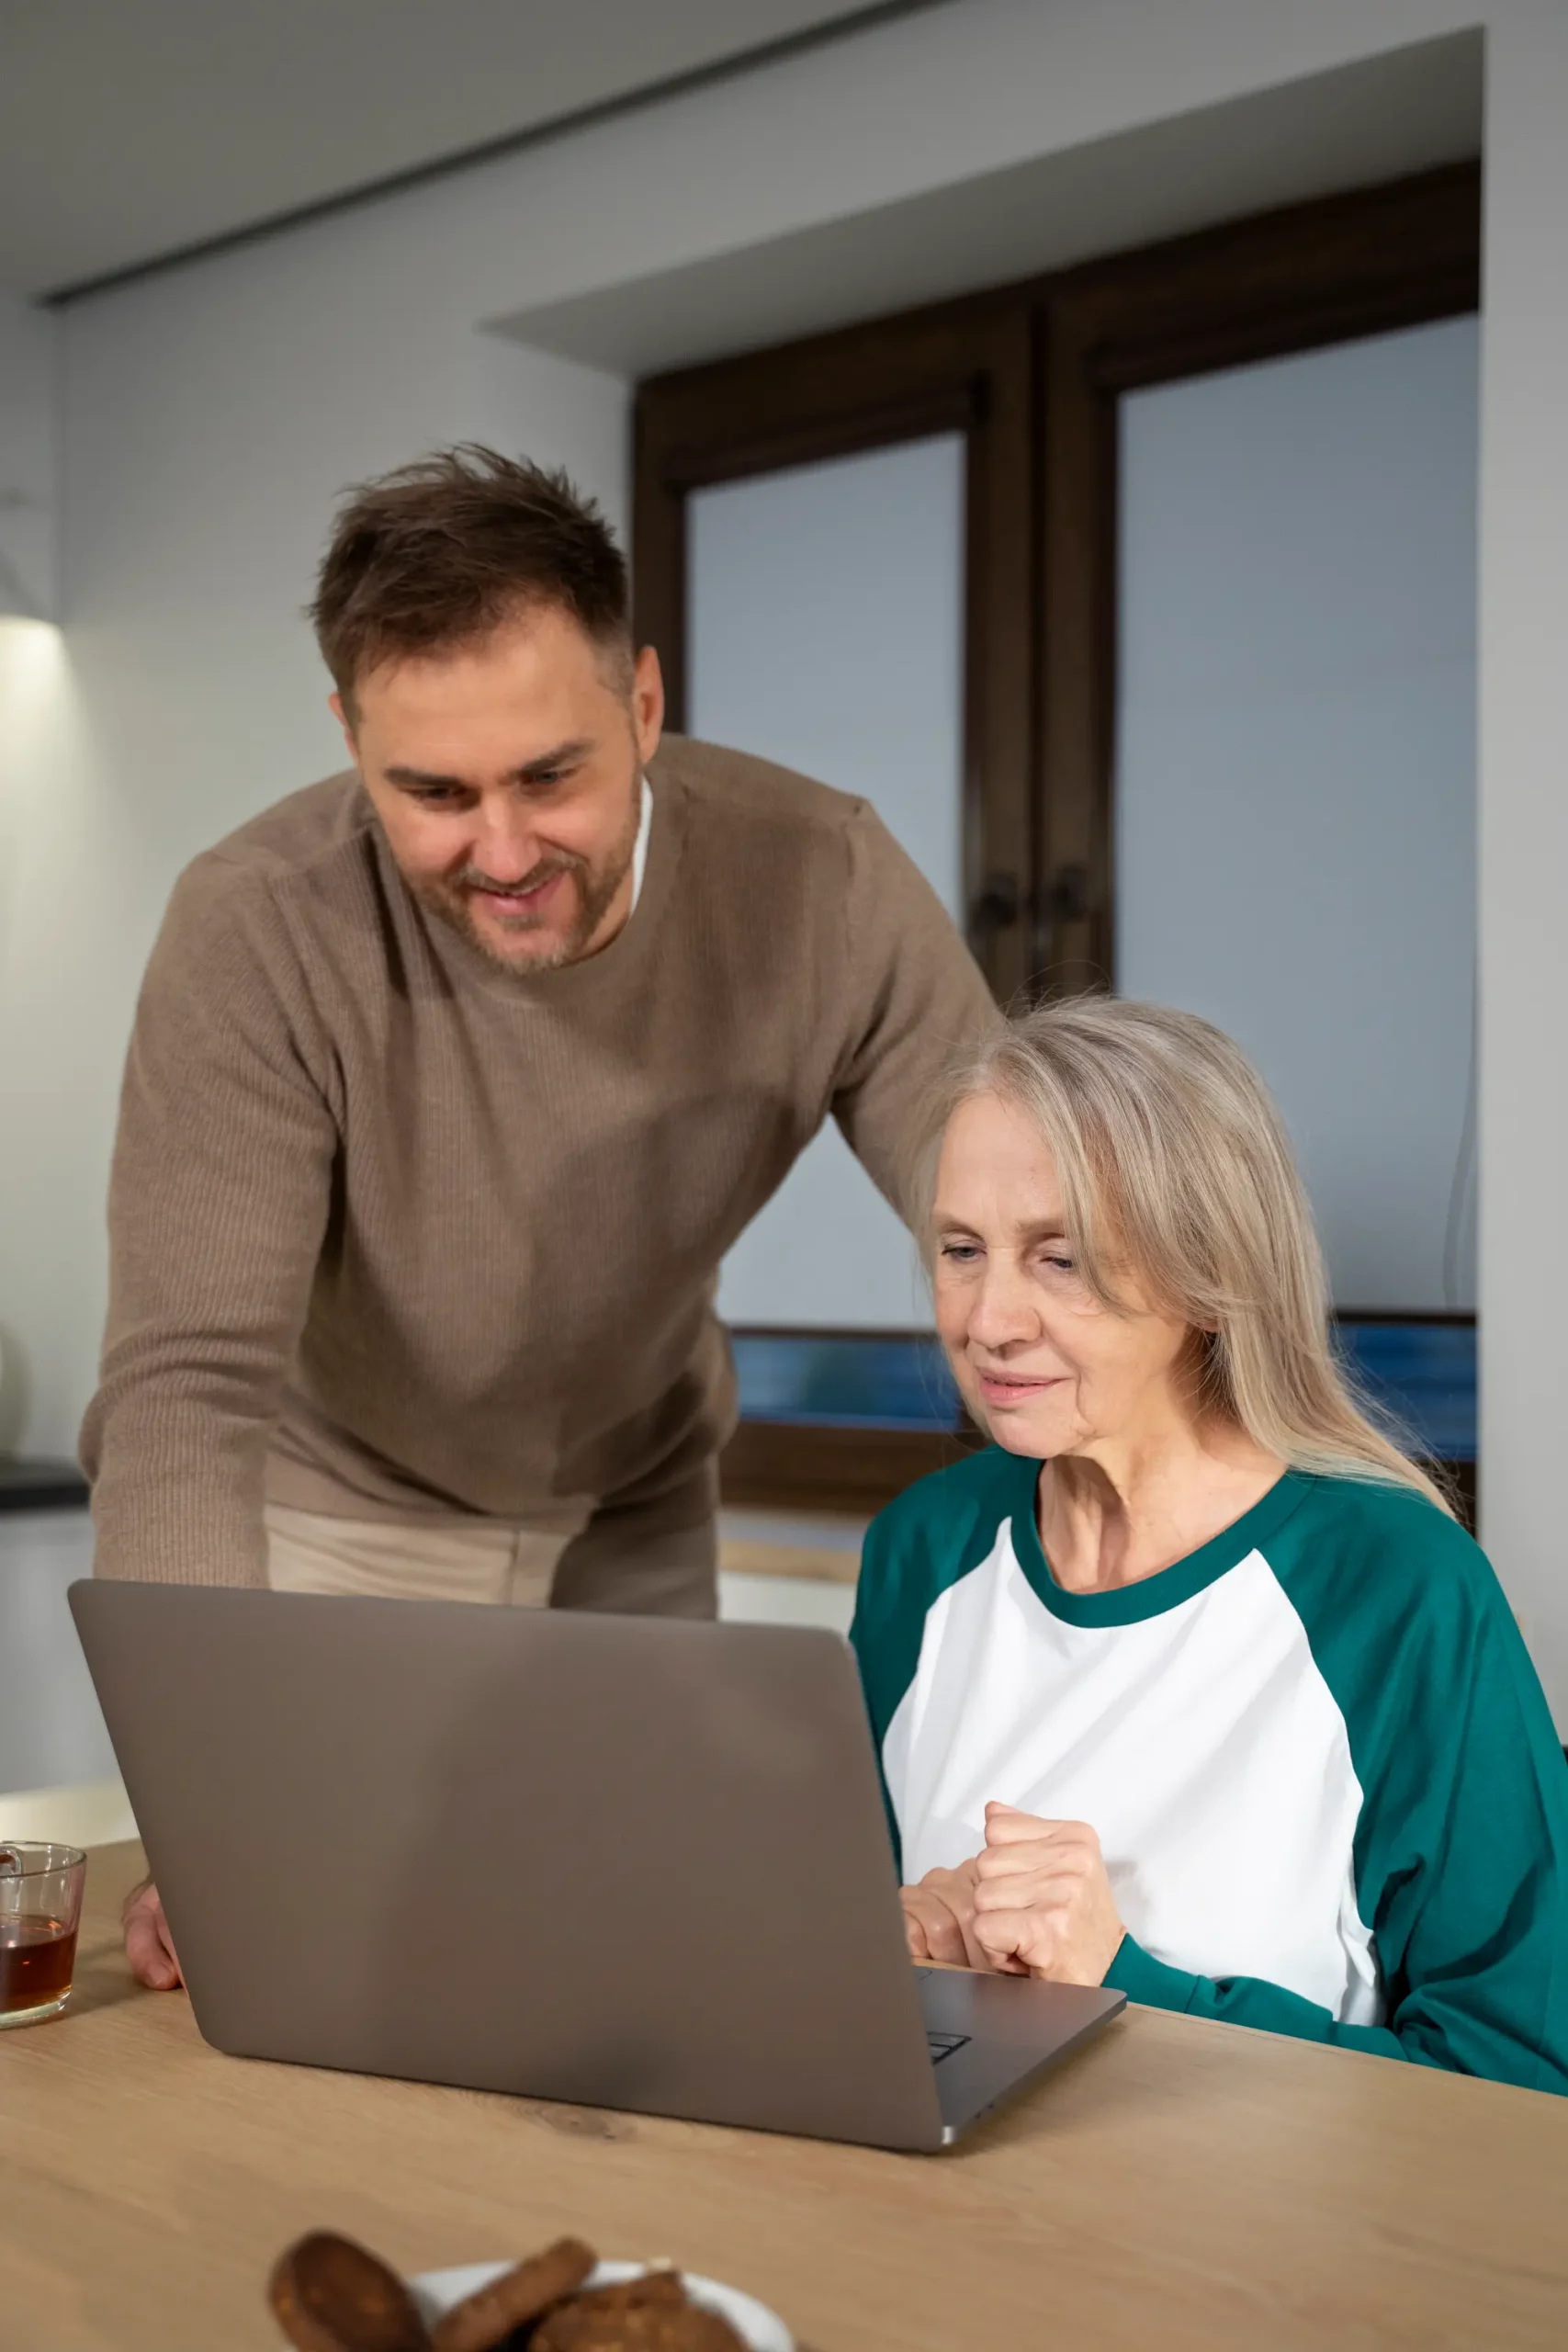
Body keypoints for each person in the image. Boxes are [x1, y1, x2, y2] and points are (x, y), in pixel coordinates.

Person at [86, 446, 997, 1987]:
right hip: (343, 1519)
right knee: (320, 1971)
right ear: (348, 741)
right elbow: (184, 1392)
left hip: (636, 1503)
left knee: (645, 1957)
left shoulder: (820, 879)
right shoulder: (254, 926)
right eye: (430, 794)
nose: (500, 854)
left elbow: (1014, 1206)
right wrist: (211, 1786)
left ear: (641, 708)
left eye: (549, 777)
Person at [851, 996, 1568, 2091]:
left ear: (1206, 1276)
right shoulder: (925, 1550)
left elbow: (1520, 2079)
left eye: (1061, 1257)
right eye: (961, 1248)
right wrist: (892, 1954)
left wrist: (1122, 1979)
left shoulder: (1402, 1591)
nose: (987, 1318)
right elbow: (837, 1979)